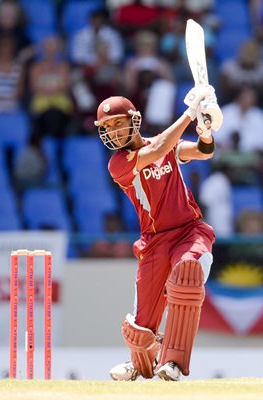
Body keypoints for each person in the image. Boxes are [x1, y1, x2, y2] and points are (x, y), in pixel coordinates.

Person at [94, 83, 223, 381]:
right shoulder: (119, 164)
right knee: (139, 331)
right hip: (154, 242)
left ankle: (174, 362)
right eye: (108, 127)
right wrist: (190, 113)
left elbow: (204, 152)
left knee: (187, 274)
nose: (113, 131)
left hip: (190, 231)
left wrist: (204, 130)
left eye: (118, 123)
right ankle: (141, 363)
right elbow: (160, 147)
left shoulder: (167, 145)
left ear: (133, 120)